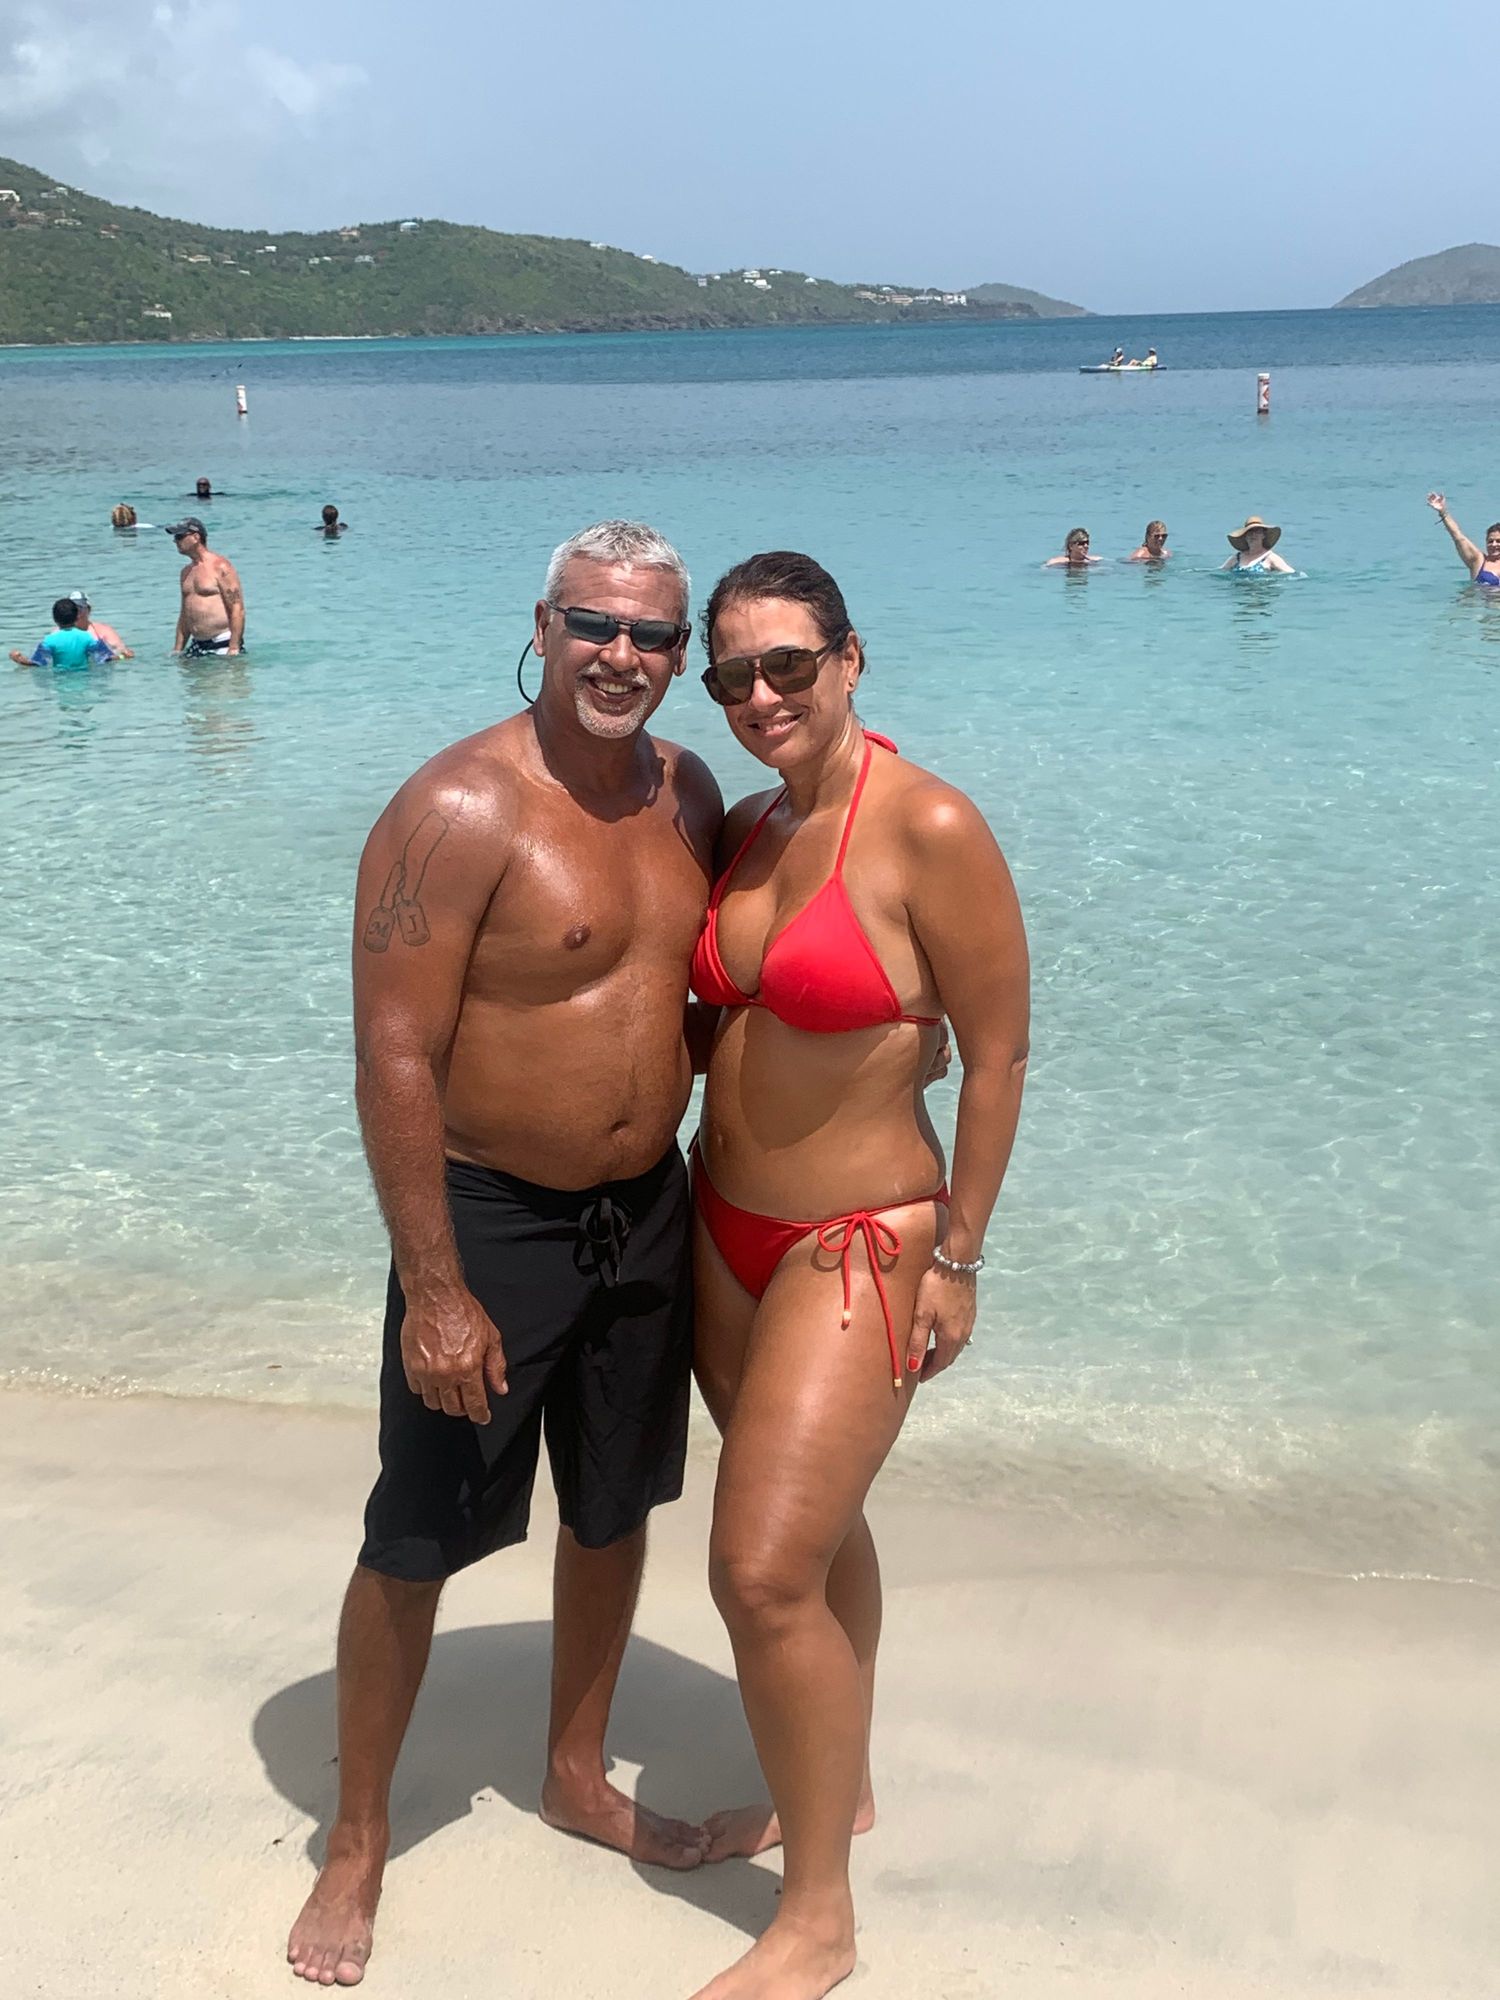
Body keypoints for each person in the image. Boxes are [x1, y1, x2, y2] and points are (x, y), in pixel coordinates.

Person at [286, 520, 723, 1989]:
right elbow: (393, 1053)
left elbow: (712, 991)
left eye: (651, 633)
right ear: (541, 627)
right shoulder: (458, 808)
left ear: (682, 653)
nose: (620, 655)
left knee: (613, 1509)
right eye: (592, 623)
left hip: (645, 1209)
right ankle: (357, 1838)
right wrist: (434, 1286)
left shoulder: (690, 794)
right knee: (417, 1531)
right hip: (490, 1220)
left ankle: (576, 1773)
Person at [686, 552, 1029, 2000]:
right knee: (814, 1541)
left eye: (788, 664)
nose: (761, 694)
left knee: (759, 1570)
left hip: (861, 1241)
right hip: (723, 1229)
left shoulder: (929, 824)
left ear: (850, 657)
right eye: (734, 674)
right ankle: (842, 1786)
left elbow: (997, 1054)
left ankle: (818, 1917)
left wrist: (961, 1255)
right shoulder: (752, 823)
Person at [166, 519, 245, 655]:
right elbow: (185, 615)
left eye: (179, 536)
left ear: (196, 537)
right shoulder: (186, 572)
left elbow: (237, 608)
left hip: (222, 643)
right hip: (197, 645)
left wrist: (233, 647)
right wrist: (177, 650)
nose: (175, 541)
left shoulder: (220, 567)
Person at [10, 596, 116, 670]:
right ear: (77, 616)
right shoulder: (88, 637)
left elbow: (37, 664)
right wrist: (122, 656)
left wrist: (19, 659)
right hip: (84, 678)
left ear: (54, 619)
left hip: (59, 680)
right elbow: (106, 658)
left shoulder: (49, 641)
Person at [1427, 492, 1500, 585]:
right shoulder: (1478, 560)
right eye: (1490, 541)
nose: (1494, 544)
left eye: (1498, 541)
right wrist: (1442, 511)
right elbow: (1458, 536)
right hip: (1479, 594)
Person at [70, 591, 133, 659]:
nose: (76, 613)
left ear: (89, 610)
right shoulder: (61, 632)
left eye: (80, 608)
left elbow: (126, 654)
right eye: (73, 609)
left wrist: (113, 658)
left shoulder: (103, 631)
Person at [1222, 516, 1294, 575]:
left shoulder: (1270, 557)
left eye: (1257, 531)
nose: (1253, 535)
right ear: (1245, 536)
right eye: (1250, 532)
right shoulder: (1236, 558)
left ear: (1263, 535)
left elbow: (1291, 573)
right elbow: (1219, 572)